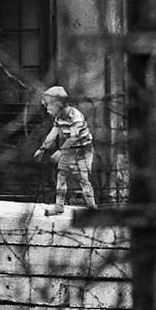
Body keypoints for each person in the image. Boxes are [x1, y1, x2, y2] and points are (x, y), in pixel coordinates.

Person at [34, 86, 97, 216]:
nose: (47, 111)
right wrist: (43, 148)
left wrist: (60, 151)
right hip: (69, 150)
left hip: (83, 150)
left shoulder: (76, 117)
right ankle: (59, 206)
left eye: (49, 107)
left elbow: (73, 138)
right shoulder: (59, 118)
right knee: (61, 175)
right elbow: (53, 134)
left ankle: (92, 208)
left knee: (83, 178)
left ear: (59, 104)